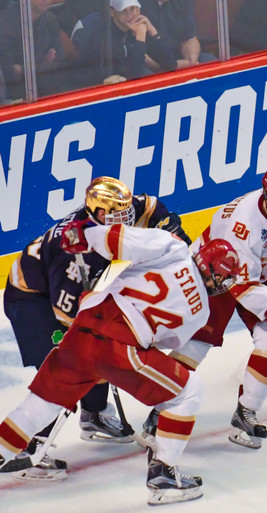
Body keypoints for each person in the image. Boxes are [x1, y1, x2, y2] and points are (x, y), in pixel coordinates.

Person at [0, 219, 241, 505]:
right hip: (120, 348)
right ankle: (163, 475)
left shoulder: (172, 246)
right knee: (187, 391)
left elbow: (118, 240)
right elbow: (161, 342)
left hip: (82, 330)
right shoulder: (200, 312)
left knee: (40, 404)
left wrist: (86, 233)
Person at [4, 176, 190, 455]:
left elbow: (149, 206)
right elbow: (65, 313)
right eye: (121, 215)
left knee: (96, 354)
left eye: (127, 212)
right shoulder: (78, 251)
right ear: (101, 214)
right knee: (63, 369)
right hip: (31, 299)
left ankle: (94, 415)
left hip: (57, 288)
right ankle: (27, 447)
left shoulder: (113, 215)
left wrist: (168, 226)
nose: (129, 219)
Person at [165, 161, 267, 449]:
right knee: (197, 344)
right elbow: (240, 283)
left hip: (257, 275)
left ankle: (245, 412)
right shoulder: (244, 225)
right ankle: (161, 409)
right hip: (215, 273)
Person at [71, 0, 177, 83]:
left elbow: (171, 65)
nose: (130, 15)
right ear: (112, 11)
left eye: (132, 8)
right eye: (124, 11)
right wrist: (140, 39)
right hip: (94, 85)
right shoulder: (95, 32)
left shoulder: (139, 23)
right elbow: (133, 75)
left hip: (125, 77)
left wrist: (152, 32)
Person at [0, 0, 74, 98]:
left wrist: (23, 69)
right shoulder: (5, 24)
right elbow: (9, 74)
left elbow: (60, 63)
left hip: (49, 91)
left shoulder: (50, 19)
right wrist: (44, 63)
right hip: (17, 98)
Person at [138, 0, 214, 69]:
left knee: (209, 61)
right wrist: (175, 66)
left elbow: (189, 38)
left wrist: (191, 60)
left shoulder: (182, 2)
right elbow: (137, 54)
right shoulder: (136, 5)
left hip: (178, 59)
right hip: (149, 64)